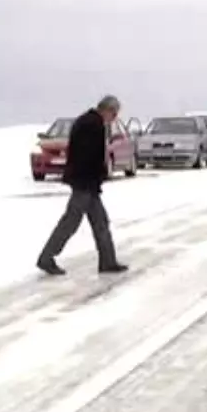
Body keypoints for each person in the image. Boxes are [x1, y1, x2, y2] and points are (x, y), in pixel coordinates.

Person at [37, 95, 129, 276]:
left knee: (100, 222)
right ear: (108, 110)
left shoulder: (89, 121)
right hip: (84, 183)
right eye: (114, 113)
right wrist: (98, 174)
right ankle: (46, 258)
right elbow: (88, 156)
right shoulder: (92, 125)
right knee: (70, 222)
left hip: (87, 183)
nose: (115, 118)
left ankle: (107, 261)